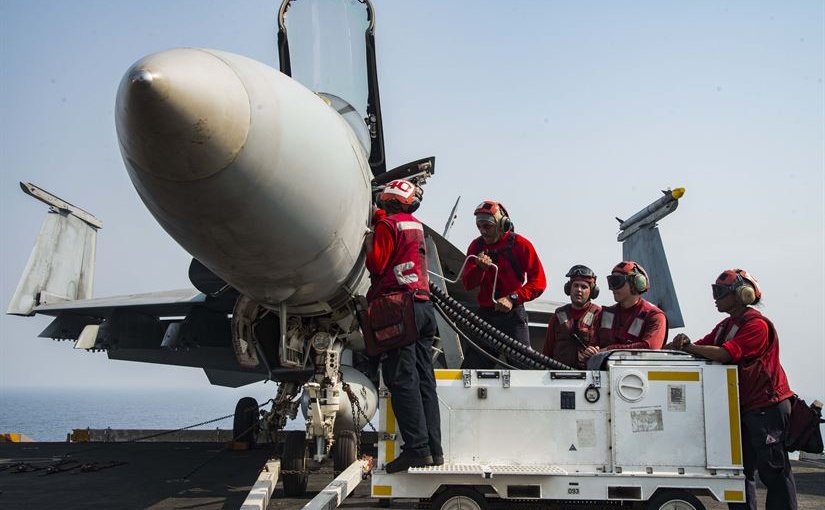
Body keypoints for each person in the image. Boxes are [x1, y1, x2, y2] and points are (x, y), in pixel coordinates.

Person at [667, 269, 796, 510]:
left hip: (767, 407)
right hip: (744, 408)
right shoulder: (728, 325)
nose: (715, 297)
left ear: (741, 294)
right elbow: (705, 345)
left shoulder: (757, 325)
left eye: (720, 292)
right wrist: (681, 346)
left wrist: (691, 347)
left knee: (775, 472)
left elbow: (726, 353)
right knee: (737, 473)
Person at [365, 178, 443, 473]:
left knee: (402, 379)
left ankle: (417, 449)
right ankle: (435, 450)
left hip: (400, 308)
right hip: (423, 307)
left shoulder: (387, 226)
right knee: (425, 380)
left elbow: (376, 264)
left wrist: (368, 238)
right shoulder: (415, 225)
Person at [461, 200, 546, 368]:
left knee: (522, 371)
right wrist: (479, 268)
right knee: (471, 372)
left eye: (488, 226)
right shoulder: (476, 246)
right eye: (479, 227)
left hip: (512, 316)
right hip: (485, 316)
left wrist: (513, 298)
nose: (483, 231)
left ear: (502, 224)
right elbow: (467, 284)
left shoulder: (520, 245)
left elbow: (539, 282)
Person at [581, 260, 666, 365]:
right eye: (611, 283)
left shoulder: (654, 316)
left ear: (636, 283)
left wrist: (609, 350)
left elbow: (650, 348)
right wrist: (590, 352)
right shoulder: (604, 315)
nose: (612, 288)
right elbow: (595, 347)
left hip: (638, 377)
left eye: (617, 282)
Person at [542, 265, 601, 368]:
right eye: (575, 285)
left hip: (589, 375)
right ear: (569, 288)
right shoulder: (559, 315)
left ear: (592, 291)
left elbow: (607, 348)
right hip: (558, 375)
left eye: (584, 287)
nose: (579, 290)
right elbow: (548, 350)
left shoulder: (599, 314)